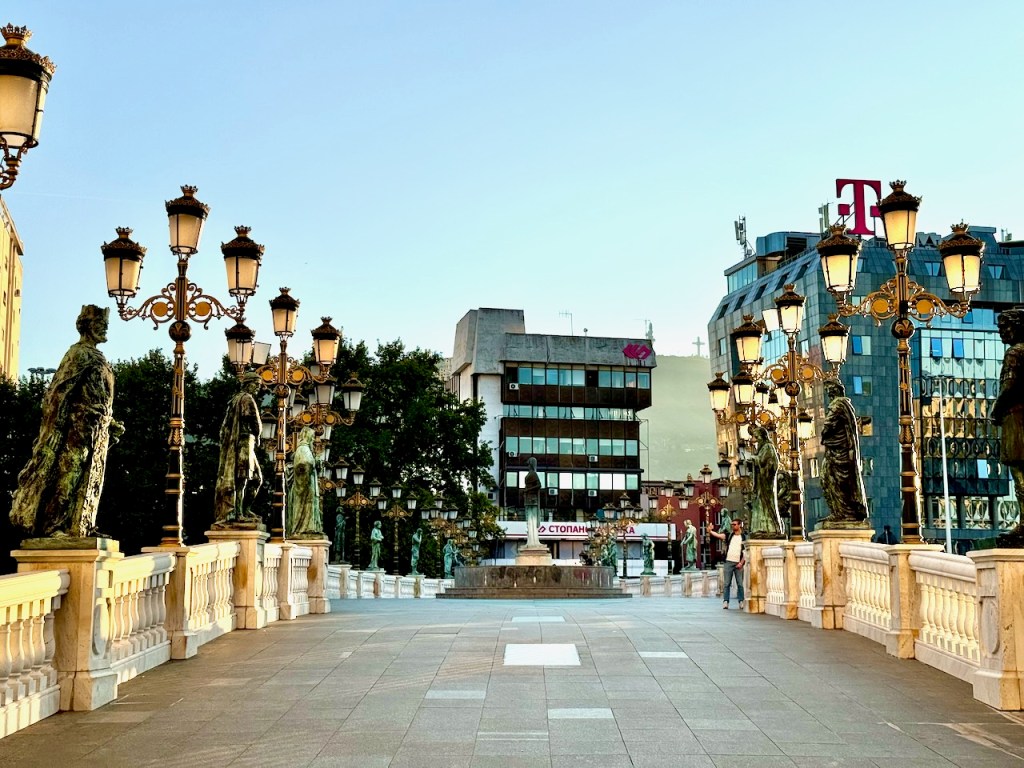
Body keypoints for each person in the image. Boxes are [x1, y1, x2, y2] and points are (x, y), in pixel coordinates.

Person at [11, 306, 123, 538]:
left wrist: (110, 423)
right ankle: (53, 526)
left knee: (91, 476)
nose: (104, 329)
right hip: (76, 428)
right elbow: (58, 393)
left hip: (96, 430)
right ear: (86, 326)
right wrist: (56, 429)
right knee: (68, 474)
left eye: (105, 325)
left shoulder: (99, 357)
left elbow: (97, 397)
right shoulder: (78, 354)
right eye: (99, 325)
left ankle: (81, 526)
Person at [213, 372, 263, 525]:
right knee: (244, 478)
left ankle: (243, 510)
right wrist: (258, 435)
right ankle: (239, 513)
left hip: (241, 442)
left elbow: (225, 426)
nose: (258, 388)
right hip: (245, 442)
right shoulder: (246, 399)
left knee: (254, 478)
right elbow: (254, 420)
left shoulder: (234, 400)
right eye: (256, 385)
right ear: (248, 383)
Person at [992, 308, 1024, 544]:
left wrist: (996, 409)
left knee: (1020, 473)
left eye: (1006, 327)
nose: (1002, 332)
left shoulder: (1015, 353)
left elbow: (1009, 386)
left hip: (1017, 419)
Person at [820, 378, 869, 525]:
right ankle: (840, 512)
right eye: (827, 389)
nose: (828, 392)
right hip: (837, 451)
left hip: (840, 453)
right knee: (830, 479)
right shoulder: (843, 405)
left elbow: (829, 425)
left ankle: (843, 513)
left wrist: (824, 434)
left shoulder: (838, 404)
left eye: (830, 389)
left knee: (833, 480)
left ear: (836, 390)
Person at [748, 426, 783, 537]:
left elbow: (765, 461)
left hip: (766, 481)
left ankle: (771, 528)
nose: (755, 439)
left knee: (767, 503)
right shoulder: (762, 448)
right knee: (759, 504)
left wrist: (753, 459)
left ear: (762, 436)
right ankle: (761, 527)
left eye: (756, 437)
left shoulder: (768, 447)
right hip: (761, 481)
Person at [286, 427, 321, 537]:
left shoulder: (306, 449)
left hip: (308, 482)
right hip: (305, 484)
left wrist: (316, 463)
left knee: (310, 505)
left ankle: (310, 527)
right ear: (307, 436)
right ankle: (304, 529)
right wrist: (314, 463)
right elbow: (303, 464)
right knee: (306, 505)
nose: (313, 439)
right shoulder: (303, 449)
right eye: (312, 437)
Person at [708, 518, 746, 609]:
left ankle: (741, 601)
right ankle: (726, 601)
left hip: (738, 563)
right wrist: (710, 531)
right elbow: (718, 535)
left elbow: (746, 552)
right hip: (728, 562)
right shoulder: (729, 535)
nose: (732, 526)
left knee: (740, 584)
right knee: (726, 584)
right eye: (732, 524)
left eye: (734, 524)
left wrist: (741, 563)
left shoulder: (744, 537)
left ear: (739, 525)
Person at [523, 456, 542, 547]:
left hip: (532, 499)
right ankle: (531, 539)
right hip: (528, 498)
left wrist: (528, 489)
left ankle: (533, 539)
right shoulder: (530, 474)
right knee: (529, 520)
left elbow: (539, 485)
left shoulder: (533, 474)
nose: (527, 466)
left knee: (532, 519)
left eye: (528, 464)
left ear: (531, 464)